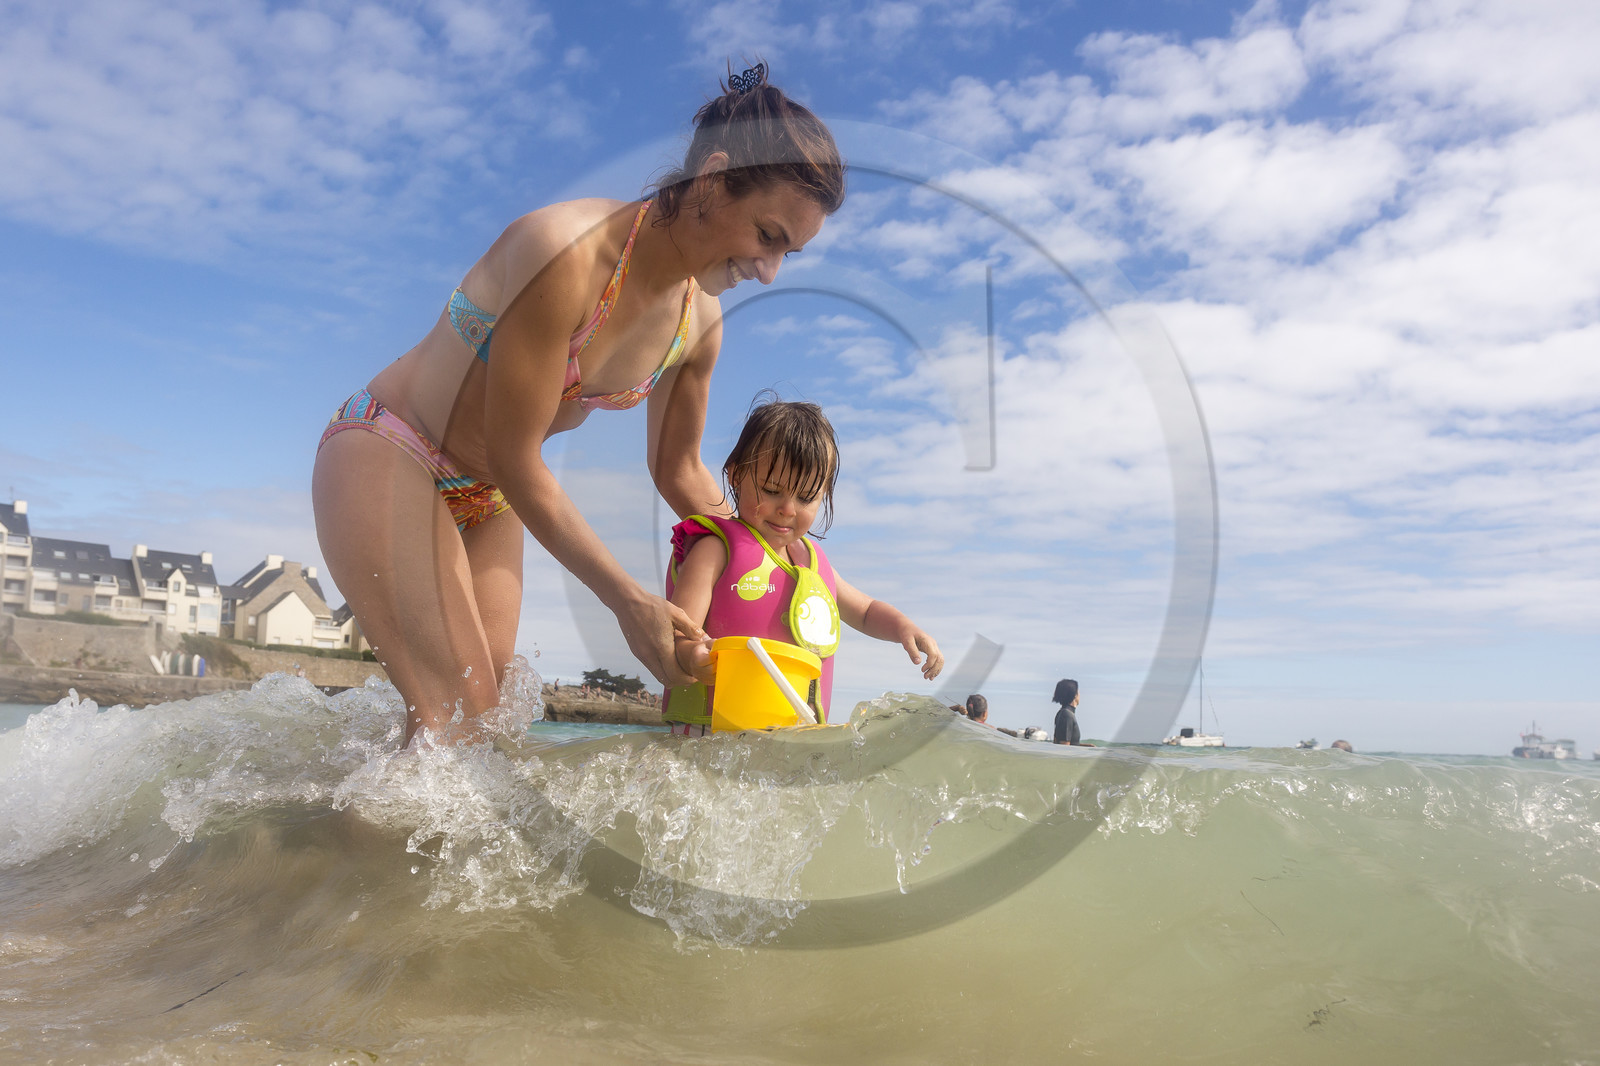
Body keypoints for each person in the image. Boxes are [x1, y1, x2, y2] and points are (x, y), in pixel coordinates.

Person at [312, 67, 845, 745]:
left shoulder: (699, 325)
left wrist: (784, 560)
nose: (769, 271)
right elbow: (516, 450)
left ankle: (321, 822)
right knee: (458, 714)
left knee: (489, 728)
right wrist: (628, 600)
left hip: (492, 498)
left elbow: (680, 472)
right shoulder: (565, 253)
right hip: (392, 449)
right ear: (712, 179)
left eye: (788, 253)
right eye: (769, 236)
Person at [662, 398, 944, 734]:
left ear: (823, 494)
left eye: (806, 497)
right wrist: (694, 656)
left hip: (791, 737)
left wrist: (903, 628)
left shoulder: (813, 564)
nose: (788, 509)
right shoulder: (714, 550)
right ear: (736, 475)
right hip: (713, 731)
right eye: (771, 490)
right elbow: (680, 631)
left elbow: (865, 611)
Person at [1053, 678, 1092, 746]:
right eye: (1078, 691)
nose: (1080, 694)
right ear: (1075, 695)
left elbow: (1058, 742)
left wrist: (1087, 747)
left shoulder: (1062, 712)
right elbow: (1064, 747)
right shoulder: (1067, 715)